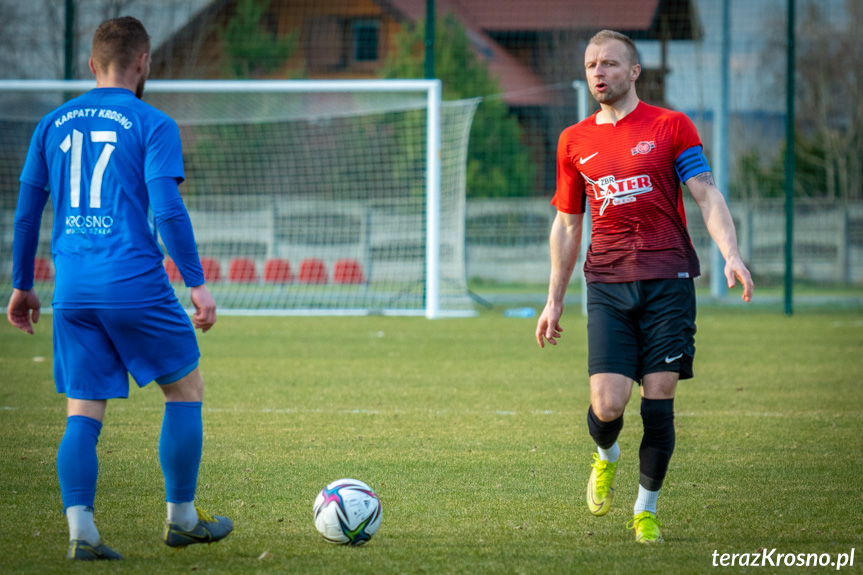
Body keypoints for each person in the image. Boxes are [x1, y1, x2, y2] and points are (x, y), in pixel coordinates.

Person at [7, 16, 233, 560]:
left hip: (74, 289)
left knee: (83, 412)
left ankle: (81, 533)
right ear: (143, 63)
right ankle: (181, 519)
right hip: (133, 281)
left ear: (91, 64)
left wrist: (21, 286)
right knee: (185, 390)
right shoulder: (153, 123)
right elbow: (168, 207)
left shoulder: (52, 123)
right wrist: (197, 285)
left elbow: (25, 215)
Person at [535, 30, 753, 544]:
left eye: (609, 63)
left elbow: (706, 194)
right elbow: (567, 224)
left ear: (634, 72)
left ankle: (645, 510)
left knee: (658, 403)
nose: (598, 72)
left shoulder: (670, 126)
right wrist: (553, 299)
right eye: (591, 64)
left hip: (669, 281)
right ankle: (606, 454)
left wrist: (732, 254)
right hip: (608, 284)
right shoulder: (574, 140)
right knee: (608, 405)